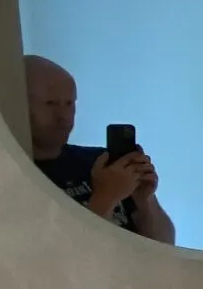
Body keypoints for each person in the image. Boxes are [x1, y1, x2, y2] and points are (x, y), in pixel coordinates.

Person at [23, 55, 176, 244]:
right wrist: (106, 197)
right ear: (22, 104)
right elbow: (62, 260)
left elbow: (165, 245)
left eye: (70, 103)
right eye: (50, 103)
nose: (63, 116)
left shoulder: (101, 161)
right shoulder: (19, 174)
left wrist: (145, 201)